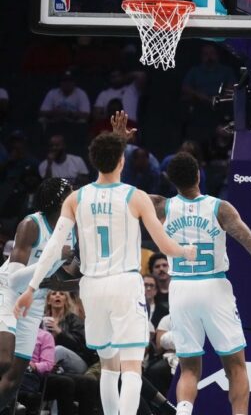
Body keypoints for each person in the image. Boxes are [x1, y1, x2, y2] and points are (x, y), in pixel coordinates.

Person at [13, 128, 197, 415]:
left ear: (93, 161)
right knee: (132, 368)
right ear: (122, 160)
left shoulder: (76, 198)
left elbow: (53, 248)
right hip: (124, 283)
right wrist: (185, 251)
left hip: (92, 287)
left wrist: (31, 288)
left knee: (109, 368)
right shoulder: (135, 196)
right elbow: (163, 244)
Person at [149, 151, 251, 415]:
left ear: (171, 180)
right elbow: (250, 242)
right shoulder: (220, 208)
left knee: (188, 367)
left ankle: (183, 412)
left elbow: (123, 194)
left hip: (181, 288)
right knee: (236, 366)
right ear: (199, 175)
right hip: (213, 287)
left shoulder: (161, 206)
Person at [0, 178, 74, 412]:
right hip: (8, 293)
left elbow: (65, 278)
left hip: (35, 301)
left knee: (14, 379)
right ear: (60, 201)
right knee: (3, 361)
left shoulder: (72, 230)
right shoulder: (31, 225)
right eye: (71, 194)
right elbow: (14, 278)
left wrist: (86, 280)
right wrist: (54, 255)